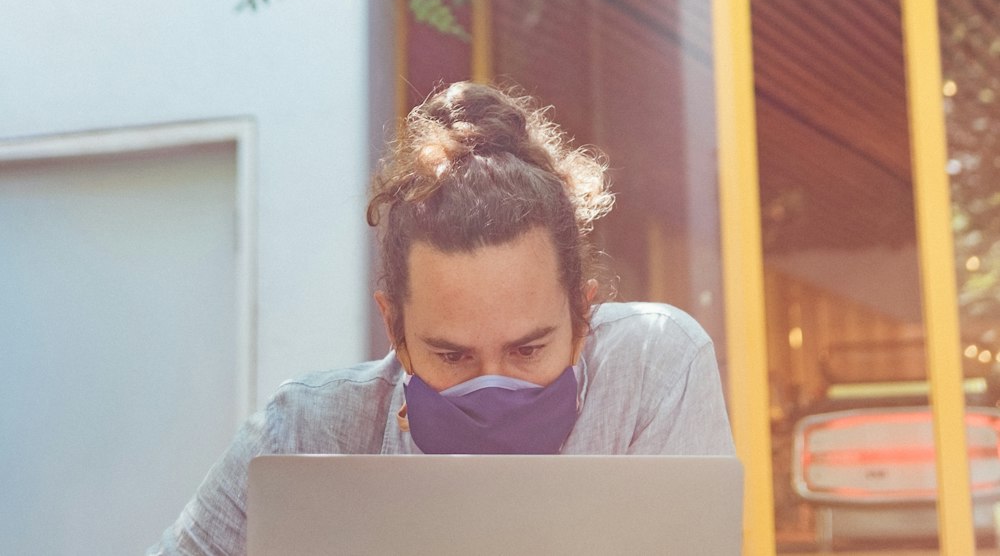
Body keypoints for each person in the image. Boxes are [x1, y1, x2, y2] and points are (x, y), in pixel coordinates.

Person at [149, 82, 733, 555]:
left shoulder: (656, 367)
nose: (494, 387)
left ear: (582, 316)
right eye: (452, 356)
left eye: (528, 350)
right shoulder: (304, 432)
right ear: (396, 331)